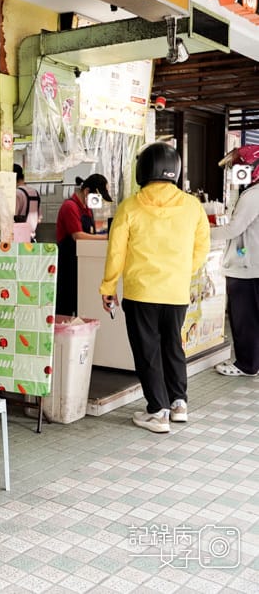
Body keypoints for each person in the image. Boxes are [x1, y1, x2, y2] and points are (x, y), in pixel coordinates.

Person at [99, 142, 210, 433]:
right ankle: (178, 403)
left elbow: (116, 252)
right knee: (173, 346)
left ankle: (157, 410)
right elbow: (202, 248)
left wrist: (108, 286)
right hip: (176, 292)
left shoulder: (130, 206)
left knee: (147, 350)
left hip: (141, 292)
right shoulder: (192, 206)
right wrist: (182, 272)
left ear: (142, 170)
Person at [211, 146, 259, 377]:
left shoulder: (253, 195)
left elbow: (233, 229)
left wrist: (202, 232)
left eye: (241, 167)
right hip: (251, 264)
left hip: (246, 269)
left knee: (244, 319)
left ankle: (246, 365)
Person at [55, 173, 112, 316]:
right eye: (97, 197)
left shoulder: (87, 209)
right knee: (66, 307)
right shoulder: (70, 206)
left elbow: (90, 234)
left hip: (80, 265)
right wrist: (106, 237)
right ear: (87, 192)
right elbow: (78, 235)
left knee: (79, 304)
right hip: (67, 264)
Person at [13, 163, 41, 240]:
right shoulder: (35, 192)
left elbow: (12, 219)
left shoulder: (16, 193)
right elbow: (39, 219)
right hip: (31, 238)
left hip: (18, 239)